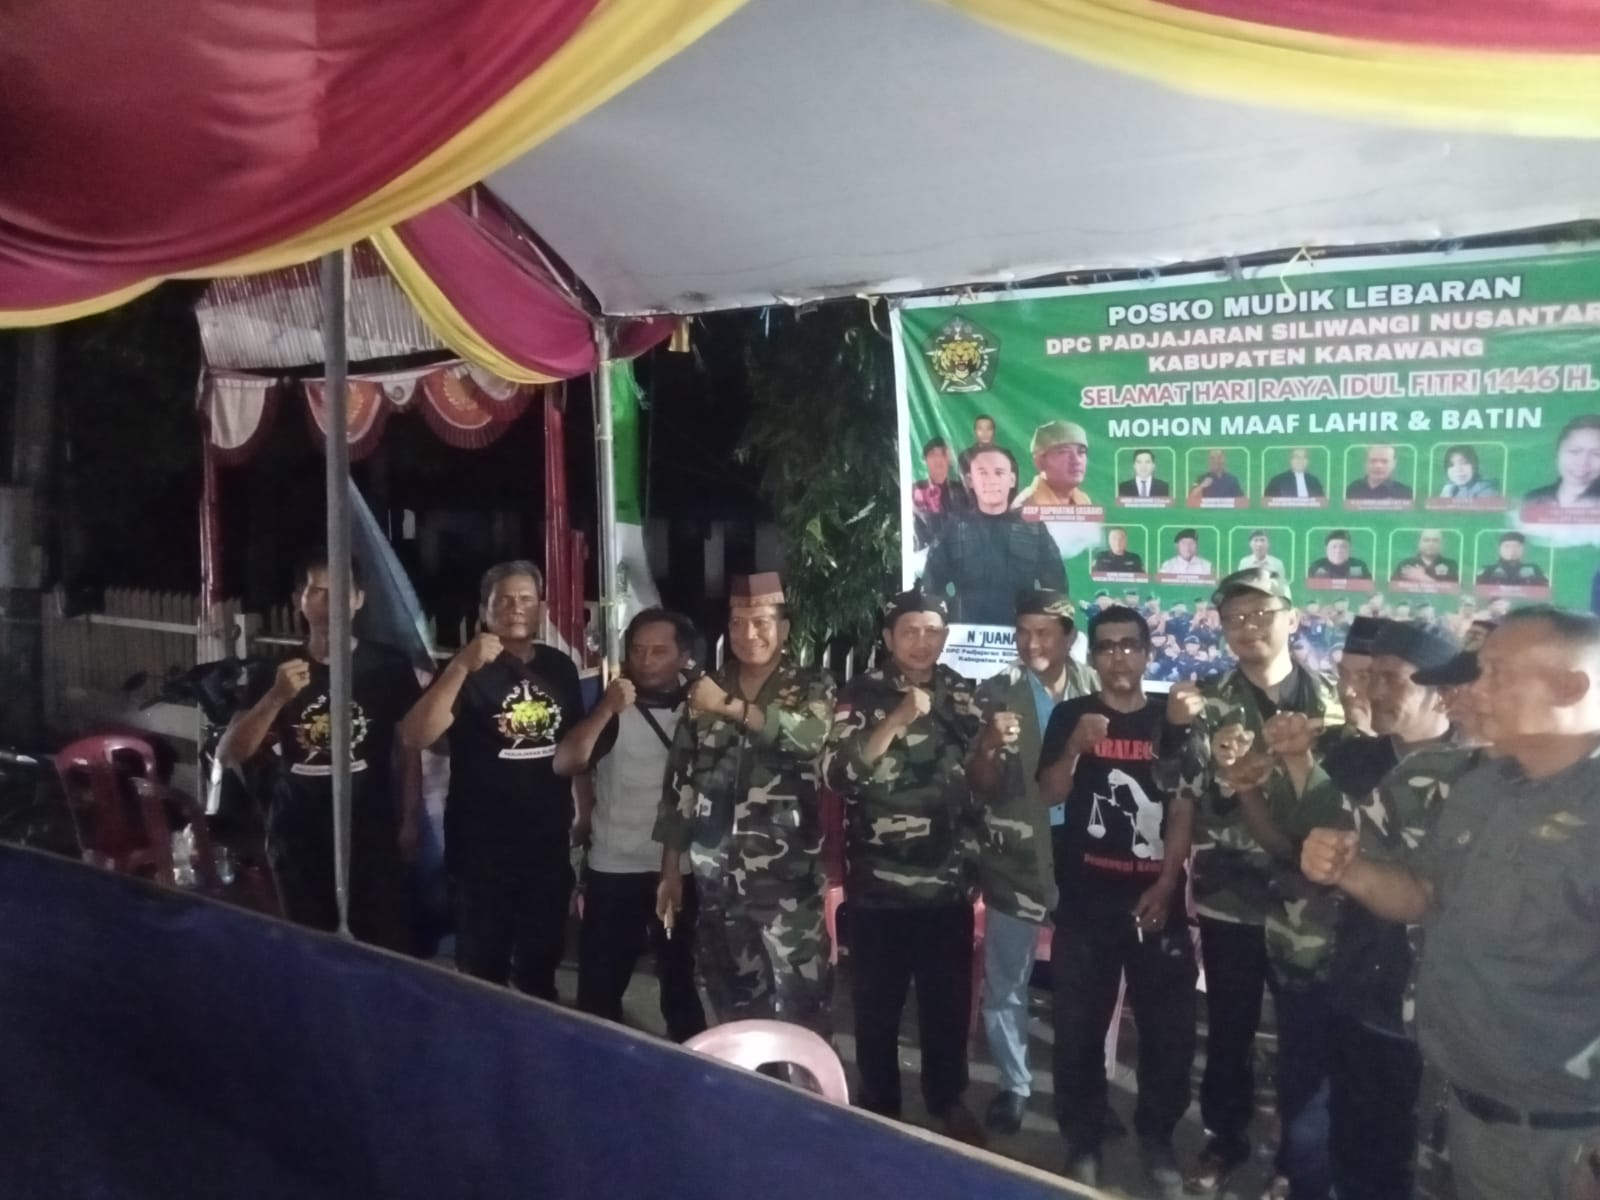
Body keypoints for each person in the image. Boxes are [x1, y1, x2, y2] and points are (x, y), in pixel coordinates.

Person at [1302, 608, 1600, 1200]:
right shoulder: (1481, 788)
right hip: (1463, 1106)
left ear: (1570, 686)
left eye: (1497, 673)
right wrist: (1350, 871)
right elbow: (1423, 895)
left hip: (1565, 1140)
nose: (1474, 690)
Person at [1157, 567, 1345, 1196]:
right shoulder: (1204, 699)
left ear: (1292, 618)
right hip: (1230, 894)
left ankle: (1298, 1160)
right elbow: (1177, 789)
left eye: (1261, 614)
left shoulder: (1332, 702)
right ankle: (1226, 1137)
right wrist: (1174, 730)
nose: (1248, 628)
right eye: (1235, 619)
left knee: (1305, 1037)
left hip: (1310, 903)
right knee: (1230, 1028)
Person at [1039, 606, 1196, 1193]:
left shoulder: (1168, 719)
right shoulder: (1072, 714)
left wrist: (1167, 884)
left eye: (1129, 645)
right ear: (1093, 656)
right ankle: (1082, 1141)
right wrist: (1075, 749)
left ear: (1147, 653)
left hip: (1156, 899)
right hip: (1086, 899)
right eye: (1106, 647)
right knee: (1077, 1029)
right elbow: (1049, 792)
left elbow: (1182, 807)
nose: (1118, 656)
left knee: (1167, 1033)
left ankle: (1157, 1136)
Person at [826, 589, 987, 1145]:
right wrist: (894, 720)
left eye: (933, 631)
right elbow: (838, 774)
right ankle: (879, 1105)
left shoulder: (962, 694)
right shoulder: (861, 693)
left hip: (948, 882)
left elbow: (981, 781)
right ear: (889, 638)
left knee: (947, 1005)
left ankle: (947, 1099)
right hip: (879, 886)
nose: (923, 642)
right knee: (877, 1007)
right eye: (910, 631)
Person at [1320, 621, 1468, 1200]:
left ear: (1440, 693)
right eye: (1368, 677)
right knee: (1358, 1139)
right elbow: (1299, 853)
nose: (1371, 691)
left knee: (1435, 1157)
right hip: (1358, 980)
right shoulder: (1350, 760)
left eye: (1390, 679)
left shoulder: (1481, 775)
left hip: (1441, 1005)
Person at [652, 574, 834, 1035]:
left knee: (802, 1009)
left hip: (787, 886)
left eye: (761, 623)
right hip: (716, 881)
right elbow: (680, 784)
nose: (748, 634)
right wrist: (670, 870)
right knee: (732, 1006)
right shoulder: (706, 690)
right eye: (737, 623)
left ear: (783, 629)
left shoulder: (811, 686)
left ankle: (803, 1082)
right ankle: (745, 1079)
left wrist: (730, 707)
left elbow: (808, 738)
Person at [220, 550, 420, 951]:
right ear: (299, 600)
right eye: (318, 591)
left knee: (379, 943)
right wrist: (276, 697)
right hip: (298, 829)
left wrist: (411, 818)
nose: (330, 603)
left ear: (359, 599)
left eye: (341, 592)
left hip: (370, 828)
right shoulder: (277, 671)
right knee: (309, 943)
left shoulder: (387, 666)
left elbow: (410, 747)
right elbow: (231, 752)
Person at [399, 561, 582, 997]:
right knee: (482, 963)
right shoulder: (465, 669)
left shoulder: (559, 667)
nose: (516, 608)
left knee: (541, 957)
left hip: (545, 838)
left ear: (541, 609)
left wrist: (584, 807)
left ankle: (536, 1029)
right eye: (504, 600)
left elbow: (573, 744)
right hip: (480, 845)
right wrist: (461, 666)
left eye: (526, 600)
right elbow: (414, 735)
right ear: (484, 610)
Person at [967, 591, 1096, 1135]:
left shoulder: (1096, 690)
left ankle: (1084, 1089)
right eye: (1022, 631)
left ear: (1069, 636)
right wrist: (989, 745)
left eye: (1044, 632)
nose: (1031, 642)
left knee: (1086, 981)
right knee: (1007, 978)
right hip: (1016, 853)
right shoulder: (995, 692)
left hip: (1086, 853)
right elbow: (979, 784)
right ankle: (1014, 1085)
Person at [553, 609, 707, 1043]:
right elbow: (566, 762)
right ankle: (597, 1062)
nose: (646, 660)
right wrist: (606, 707)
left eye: (659, 651)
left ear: (684, 656)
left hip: (680, 870)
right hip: (615, 868)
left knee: (679, 978)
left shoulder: (702, 706)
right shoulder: (615, 709)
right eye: (638, 650)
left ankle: (690, 1065)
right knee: (600, 986)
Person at [922, 445, 1067, 625]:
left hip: (1021, 635)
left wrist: (1041, 628)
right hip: (965, 634)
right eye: (982, 473)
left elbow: (1056, 590)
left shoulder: (1034, 529)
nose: (991, 481)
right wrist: (947, 623)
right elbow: (931, 588)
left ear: (1012, 480)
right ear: (970, 480)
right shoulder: (954, 529)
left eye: (999, 473)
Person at [1523, 414, 1600, 509]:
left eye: (1596, 454)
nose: (1583, 462)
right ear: (1557, 452)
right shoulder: (1533, 499)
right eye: (1574, 451)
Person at [1013, 420, 1092, 508]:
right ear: (1039, 462)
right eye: (1064, 451)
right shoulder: (1027, 506)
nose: (1077, 460)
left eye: (1081, 452)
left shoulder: (1083, 500)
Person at [911, 436, 967, 549]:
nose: (938, 459)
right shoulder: (917, 489)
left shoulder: (961, 489)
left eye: (943, 454)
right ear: (925, 460)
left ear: (949, 459)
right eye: (932, 455)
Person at [1476, 530, 1550, 587]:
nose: (1512, 550)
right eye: (1507, 546)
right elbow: (1478, 592)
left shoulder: (1534, 570)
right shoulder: (1488, 570)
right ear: (1499, 549)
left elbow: (1545, 591)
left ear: (1524, 549)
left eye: (1517, 546)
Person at [1391, 528, 1460, 584]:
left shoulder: (1451, 565)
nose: (1431, 544)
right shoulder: (1405, 564)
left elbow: (1456, 591)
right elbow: (1392, 589)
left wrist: (1423, 578)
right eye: (1426, 540)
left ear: (1442, 544)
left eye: (1435, 541)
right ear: (1419, 543)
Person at [1345, 445, 1413, 502]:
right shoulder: (1352, 489)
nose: (1378, 466)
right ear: (1365, 462)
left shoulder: (1405, 493)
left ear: (1394, 464)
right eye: (1373, 461)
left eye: (1385, 461)